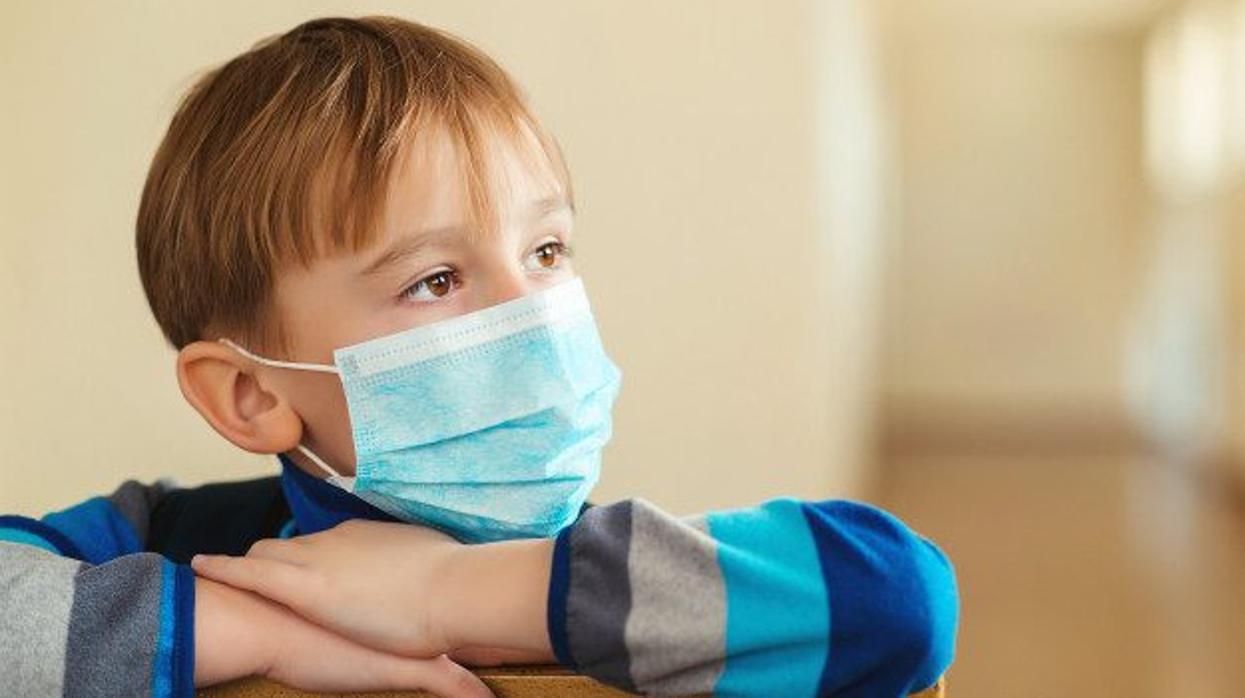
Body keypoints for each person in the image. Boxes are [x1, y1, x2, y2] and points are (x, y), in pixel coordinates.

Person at [0, 15, 958, 698]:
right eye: (436, 281)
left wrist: (446, 594)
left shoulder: (618, 586)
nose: (533, 316)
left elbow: (895, 599)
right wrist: (257, 630)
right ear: (249, 394)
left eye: (545, 253)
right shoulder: (185, 545)